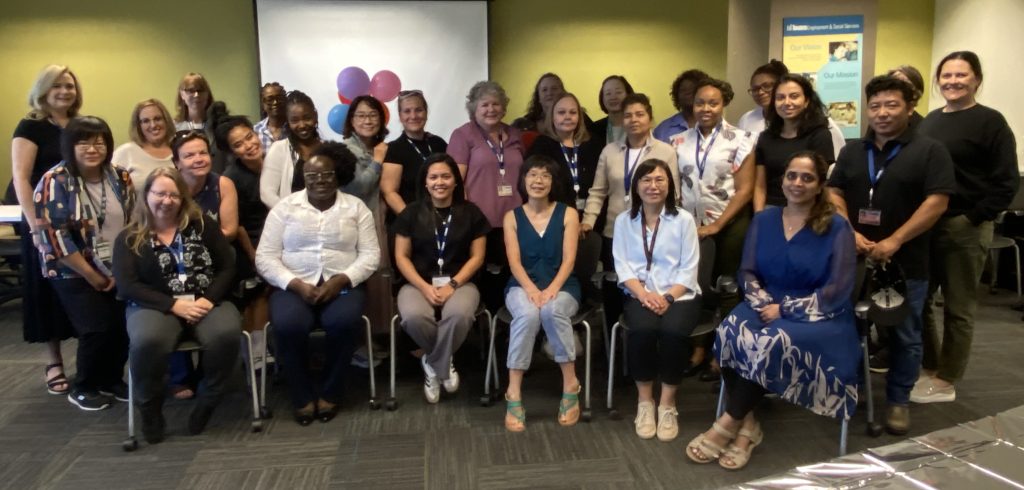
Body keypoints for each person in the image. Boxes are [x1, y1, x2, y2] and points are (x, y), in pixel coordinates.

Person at [687, 151, 858, 470]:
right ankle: (749, 424)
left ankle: (727, 423)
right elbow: (747, 271)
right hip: (766, 301)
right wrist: (765, 302)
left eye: (807, 178)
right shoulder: (765, 219)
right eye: (792, 175)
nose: (797, 183)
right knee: (729, 331)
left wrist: (786, 309)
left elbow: (838, 289)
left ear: (819, 185)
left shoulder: (836, 227)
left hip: (820, 313)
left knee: (769, 342)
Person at [829, 75, 955, 434]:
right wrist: (848, 230)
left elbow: (937, 202)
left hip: (904, 260)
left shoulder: (930, 151)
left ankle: (898, 400)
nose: (882, 113)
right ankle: (851, 388)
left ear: (910, 107)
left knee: (904, 331)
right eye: (875, 106)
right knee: (849, 326)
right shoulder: (853, 151)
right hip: (855, 257)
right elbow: (834, 192)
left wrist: (895, 240)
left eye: (892, 105)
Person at [916, 51, 1020, 404]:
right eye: (946, 75)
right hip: (929, 224)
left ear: (976, 79)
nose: (953, 81)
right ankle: (929, 367)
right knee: (922, 301)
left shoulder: (991, 122)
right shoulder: (930, 121)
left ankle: (948, 378)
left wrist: (976, 216)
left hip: (965, 225)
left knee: (959, 307)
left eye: (961, 75)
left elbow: (1006, 180)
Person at [255, 142, 380, 426]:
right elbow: (265, 258)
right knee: (289, 325)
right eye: (312, 176)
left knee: (344, 322)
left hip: (344, 283)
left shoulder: (355, 208)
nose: (320, 181)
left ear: (338, 176)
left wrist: (341, 280)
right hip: (294, 285)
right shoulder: (285, 209)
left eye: (327, 175)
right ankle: (300, 394)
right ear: (304, 179)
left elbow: (372, 255)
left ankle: (331, 391)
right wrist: (295, 283)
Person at [112, 167, 240, 443]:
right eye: (159, 193)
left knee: (226, 335)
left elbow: (228, 267)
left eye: (174, 195)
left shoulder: (203, 225)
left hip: (207, 300)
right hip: (154, 305)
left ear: (183, 199)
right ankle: (150, 409)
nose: (167, 201)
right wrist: (173, 305)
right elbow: (128, 285)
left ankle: (208, 400)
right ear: (146, 196)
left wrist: (208, 299)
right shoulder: (129, 237)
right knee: (148, 340)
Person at [35, 116, 135, 411]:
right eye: (84, 142)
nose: (93, 148)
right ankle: (84, 385)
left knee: (121, 325)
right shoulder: (55, 181)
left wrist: (120, 270)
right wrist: (93, 275)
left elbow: (130, 223)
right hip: (72, 269)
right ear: (70, 145)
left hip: (116, 266)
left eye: (100, 141)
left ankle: (112, 379)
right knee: (97, 327)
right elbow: (56, 238)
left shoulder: (119, 177)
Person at [670, 77, 756, 378]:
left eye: (713, 102)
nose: (706, 108)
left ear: (724, 104)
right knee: (695, 287)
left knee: (728, 287)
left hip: (730, 223)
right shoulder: (679, 141)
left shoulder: (742, 139)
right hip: (691, 225)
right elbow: (676, 186)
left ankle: (725, 351)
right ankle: (698, 348)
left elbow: (745, 190)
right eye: (700, 102)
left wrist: (718, 225)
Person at [613, 158, 701, 442]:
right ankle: (645, 402)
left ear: (669, 185)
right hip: (640, 294)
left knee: (674, 333)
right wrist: (643, 294)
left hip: (680, 295)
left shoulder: (684, 220)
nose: (653, 186)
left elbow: (689, 268)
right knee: (642, 331)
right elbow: (622, 265)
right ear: (636, 186)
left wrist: (667, 297)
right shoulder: (624, 221)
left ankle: (667, 404)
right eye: (646, 180)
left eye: (660, 180)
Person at [392, 154, 489, 403]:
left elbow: (477, 257)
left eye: (446, 176)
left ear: (456, 181)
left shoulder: (472, 212)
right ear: (425, 182)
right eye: (433, 177)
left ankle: (433, 362)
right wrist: (424, 287)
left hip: (462, 282)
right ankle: (443, 362)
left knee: (458, 315)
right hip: (417, 283)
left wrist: (453, 284)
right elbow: (401, 257)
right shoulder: (410, 213)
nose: (440, 182)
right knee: (414, 317)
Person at [7, 64, 80, 395]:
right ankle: (54, 362)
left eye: (70, 86)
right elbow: (21, 178)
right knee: (47, 288)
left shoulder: (78, 125)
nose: (65, 91)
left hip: (77, 217)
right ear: (44, 90)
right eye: (58, 86)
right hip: (43, 219)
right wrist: (36, 223)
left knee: (80, 286)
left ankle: (89, 358)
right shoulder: (31, 126)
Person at [584, 93, 679, 334]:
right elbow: (597, 192)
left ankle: (644, 337)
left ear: (649, 118)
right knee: (615, 287)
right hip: (615, 230)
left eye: (639, 114)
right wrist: (587, 221)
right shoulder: (609, 151)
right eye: (627, 115)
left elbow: (673, 194)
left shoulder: (665, 151)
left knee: (647, 285)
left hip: (652, 231)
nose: (633, 119)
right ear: (621, 120)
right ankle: (614, 346)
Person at [502, 155, 582, 432]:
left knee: (551, 309)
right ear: (523, 180)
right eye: (533, 175)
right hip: (521, 285)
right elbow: (514, 263)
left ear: (553, 182)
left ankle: (570, 382)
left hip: (562, 285)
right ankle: (514, 390)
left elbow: (569, 260)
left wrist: (549, 290)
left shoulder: (569, 213)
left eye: (545, 175)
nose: (538, 181)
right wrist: (533, 290)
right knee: (527, 313)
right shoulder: (512, 217)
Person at [447, 81, 525, 310]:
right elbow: (455, 180)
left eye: (496, 104)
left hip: (514, 220)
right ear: (474, 108)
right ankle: (484, 331)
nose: (491, 109)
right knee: (484, 279)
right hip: (478, 223)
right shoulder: (463, 135)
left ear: (504, 108)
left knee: (511, 275)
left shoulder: (515, 135)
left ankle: (507, 328)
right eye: (485, 105)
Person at [215, 116, 270, 334]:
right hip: (252, 242)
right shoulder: (232, 178)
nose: (249, 145)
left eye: (250, 137)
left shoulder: (275, 161)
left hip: (283, 237)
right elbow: (237, 226)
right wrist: (254, 255)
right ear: (231, 152)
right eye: (239, 144)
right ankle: (257, 353)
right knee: (257, 293)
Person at [752, 74, 835, 211]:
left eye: (794, 96)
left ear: (807, 101)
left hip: (808, 209)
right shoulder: (765, 137)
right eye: (780, 98)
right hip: (771, 208)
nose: (787, 102)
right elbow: (760, 186)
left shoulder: (820, 135)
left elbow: (823, 184)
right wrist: (759, 218)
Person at [737, 60, 845, 158]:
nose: (760, 92)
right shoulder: (748, 120)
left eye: (767, 86)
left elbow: (836, 162)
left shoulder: (821, 126)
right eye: (755, 89)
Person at [381, 90, 448, 223]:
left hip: (441, 220)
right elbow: (389, 192)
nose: (413, 116)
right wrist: (414, 221)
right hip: (410, 223)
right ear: (400, 116)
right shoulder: (395, 149)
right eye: (407, 111)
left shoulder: (439, 143)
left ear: (426, 113)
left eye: (418, 110)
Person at [260, 90, 322, 209]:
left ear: (315, 116)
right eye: (295, 120)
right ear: (288, 122)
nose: (302, 125)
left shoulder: (327, 149)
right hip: (291, 221)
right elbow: (267, 194)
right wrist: (291, 214)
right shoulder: (279, 149)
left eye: (307, 118)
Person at [112, 99, 175, 199]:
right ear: (138, 126)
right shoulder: (125, 152)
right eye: (146, 121)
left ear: (166, 120)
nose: (153, 125)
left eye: (158, 119)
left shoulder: (180, 150)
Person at [341, 95, 388, 210]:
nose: (368, 121)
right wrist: (377, 162)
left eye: (373, 115)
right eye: (361, 116)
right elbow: (356, 189)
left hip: (383, 221)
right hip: (356, 220)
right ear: (352, 121)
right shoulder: (344, 151)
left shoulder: (384, 148)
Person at [653, 69, 709, 143]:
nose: (687, 94)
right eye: (683, 90)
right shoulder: (663, 130)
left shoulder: (716, 126)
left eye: (692, 89)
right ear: (676, 94)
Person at [590, 75, 635, 145]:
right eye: (608, 94)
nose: (613, 97)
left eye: (618, 92)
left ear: (628, 95)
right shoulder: (594, 129)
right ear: (602, 99)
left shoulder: (638, 124)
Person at [253, 82, 288, 153]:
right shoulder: (256, 130)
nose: (275, 102)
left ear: (285, 100)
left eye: (279, 98)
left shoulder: (294, 128)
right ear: (263, 103)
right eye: (270, 99)